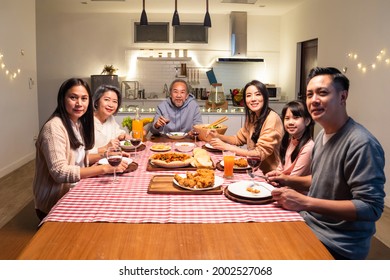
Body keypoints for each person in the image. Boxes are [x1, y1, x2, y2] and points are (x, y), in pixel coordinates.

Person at [269, 67, 386, 259]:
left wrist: (305, 202)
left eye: (322, 93)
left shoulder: (361, 143)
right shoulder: (323, 134)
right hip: (311, 224)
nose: (314, 100)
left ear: (342, 97)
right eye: (309, 94)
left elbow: (371, 207)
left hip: (338, 243)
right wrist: (287, 180)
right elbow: (321, 179)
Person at [33, 78, 129, 220]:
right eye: (73, 97)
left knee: (121, 199)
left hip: (77, 189)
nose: (79, 103)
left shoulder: (77, 124)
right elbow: (60, 172)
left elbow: (82, 158)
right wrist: (104, 168)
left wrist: (108, 155)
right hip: (55, 201)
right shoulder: (54, 128)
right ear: (62, 99)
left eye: (84, 99)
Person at [208, 80, 284, 173]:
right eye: (248, 95)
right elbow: (238, 139)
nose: (253, 99)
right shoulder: (252, 116)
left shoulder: (272, 119)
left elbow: (258, 154)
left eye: (257, 94)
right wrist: (218, 136)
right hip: (253, 169)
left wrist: (227, 147)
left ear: (265, 96)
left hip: (269, 173)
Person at [265, 100, 314, 187]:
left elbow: (293, 179)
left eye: (296, 118)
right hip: (285, 187)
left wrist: (279, 179)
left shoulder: (308, 147)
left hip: (296, 195)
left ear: (307, 121)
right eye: (287, 118)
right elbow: (281, 169)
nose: (290, 122)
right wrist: (275, 174)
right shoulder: (289, 141)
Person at [90, 84, 129, 162]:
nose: (111, 105)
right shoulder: (87, 121)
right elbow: (80, 154)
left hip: (109, 161)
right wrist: (105, 148)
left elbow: (117, 132)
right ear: (97, 101)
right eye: (107, 99)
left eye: (114, 101)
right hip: (91, 166)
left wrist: (123, 135)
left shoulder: (110, 118)